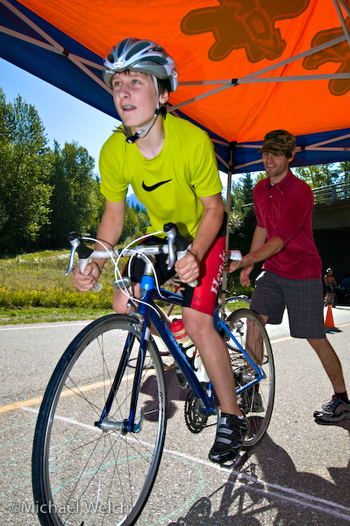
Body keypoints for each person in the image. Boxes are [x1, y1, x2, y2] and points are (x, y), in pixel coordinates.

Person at [72, 37, 247, 464]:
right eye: (116, 84)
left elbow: (213, 208)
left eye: (135, 80)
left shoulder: (191, 141)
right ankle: (178, 345)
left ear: (163, 93)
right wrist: (95, 259)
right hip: (164, 233)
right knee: (123, 300)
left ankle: (231, 417)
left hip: (206, 231)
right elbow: (113, 217)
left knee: (197, 317)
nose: (123, 91)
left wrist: (197, 255)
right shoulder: (114, 150)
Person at [226, 129, 349, 425]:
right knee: (254, 323)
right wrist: (250, 265)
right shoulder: (259, 189)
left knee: (315, 337)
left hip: (302, 271)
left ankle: (342, 399)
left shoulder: (300, 192)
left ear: (290, 156)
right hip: (272, 270)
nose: (268, 159)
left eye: (276, 154)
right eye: (265, 153)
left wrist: (248, 258)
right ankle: (251, 388)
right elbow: (262, 229)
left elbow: (280, 238)